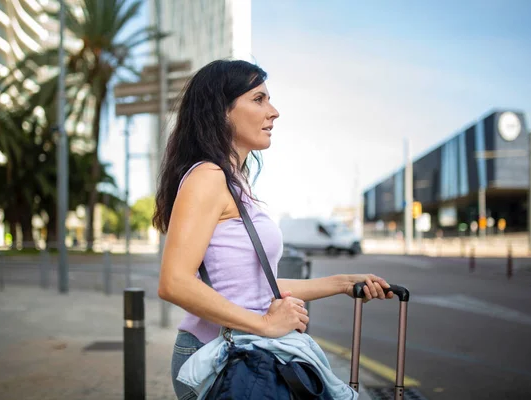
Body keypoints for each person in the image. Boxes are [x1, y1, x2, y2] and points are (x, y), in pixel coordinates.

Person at [154, 59, 394, 400]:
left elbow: (249, 288)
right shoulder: (208, 177)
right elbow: (174, 282)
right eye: (259, 99)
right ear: (221, 110)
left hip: (240, 352)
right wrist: (266, 325)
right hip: (217, 358)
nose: (274, 111)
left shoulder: (234, 181)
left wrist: (343, 283)